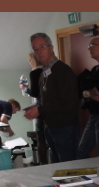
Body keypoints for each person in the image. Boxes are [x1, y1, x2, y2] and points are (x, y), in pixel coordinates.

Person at [24, 33, 80, 163]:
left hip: (65, 127)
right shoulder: (44, 72)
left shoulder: (63, 71)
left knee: (68, 167)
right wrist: (37, 108)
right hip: (51, 126)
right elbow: (50, 99)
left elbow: (69, 102)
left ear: (51, 47)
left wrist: (40, 110)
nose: (39, 51)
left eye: (42, 47)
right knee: (57, 167)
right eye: (35, 48)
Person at [20, 52, 48, 164]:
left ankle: (43, 164)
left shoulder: (35, 72)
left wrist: (25, 89)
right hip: (52, 109)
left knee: (40, 138)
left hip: (41, 109)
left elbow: (35, 93)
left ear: (32, 61)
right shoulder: (48, 70)